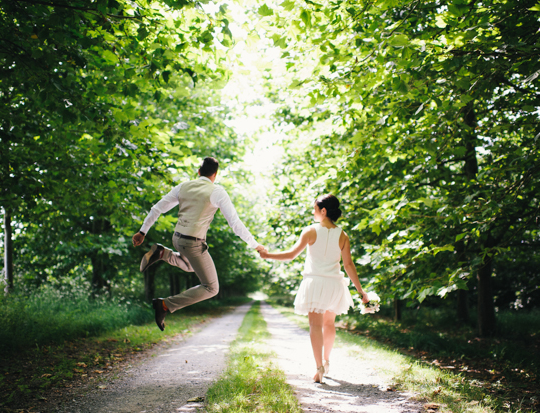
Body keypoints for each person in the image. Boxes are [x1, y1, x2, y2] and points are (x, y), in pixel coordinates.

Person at [132, 157, 266, 331]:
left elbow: (157, 208)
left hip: (178, 239)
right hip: (193, 244)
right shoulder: (217, 192)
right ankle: (164, 305)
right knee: (211, 288)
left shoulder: (183, 187)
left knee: (190, 267)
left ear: (199, 172)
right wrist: (255, 245)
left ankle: (163, 253)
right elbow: (235, 223)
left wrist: (142, 231)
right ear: (215, 175)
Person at [258, 194, 369, 383]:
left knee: (315, 326)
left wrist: (267, 255)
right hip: (334, 285)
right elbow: (349, 265)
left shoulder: (310, 231)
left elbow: (291, 255)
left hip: (315, 283)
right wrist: (361, 291)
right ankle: (326, 361)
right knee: (329, 324)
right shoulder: (343, 235)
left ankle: (319, 369)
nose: (313, 212)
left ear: (323, 211)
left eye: (315, 209)